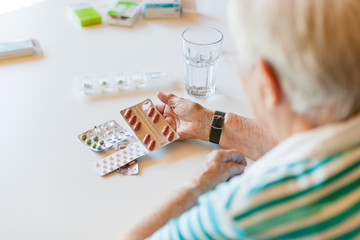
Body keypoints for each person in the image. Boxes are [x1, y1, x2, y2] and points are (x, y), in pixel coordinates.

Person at [124, 0, 360, 238]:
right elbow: (311, 144)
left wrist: (195, 188)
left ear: (267, 83)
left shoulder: (240, 213)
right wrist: (207, 123)